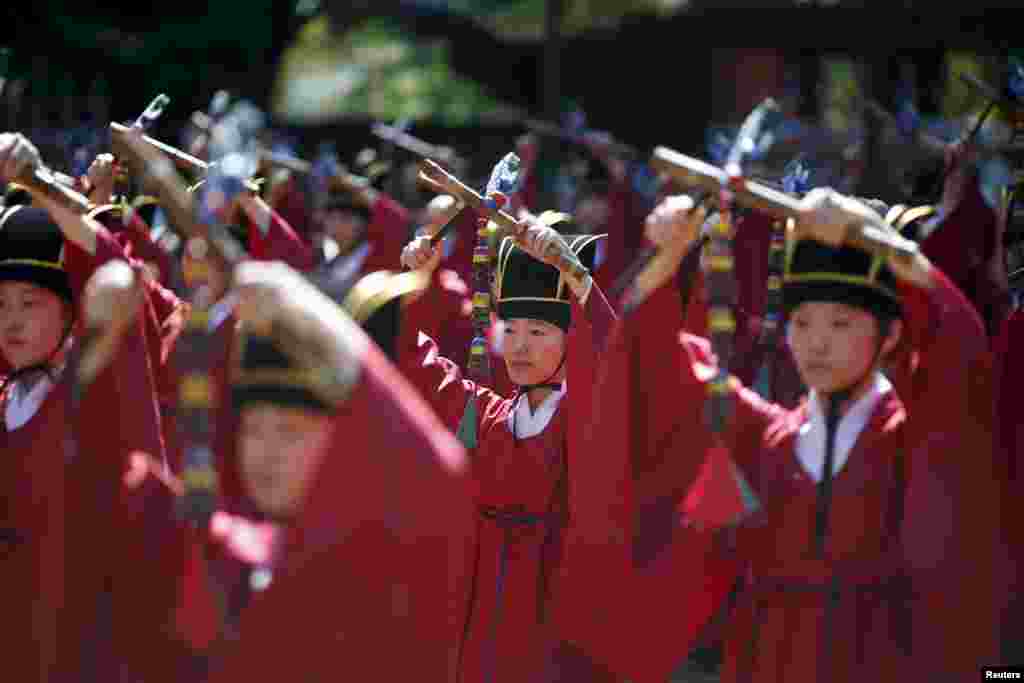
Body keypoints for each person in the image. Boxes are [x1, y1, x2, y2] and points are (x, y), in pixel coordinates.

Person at [560, 189, 1003, 682]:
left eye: (841, 323)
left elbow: (961, 358)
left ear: (891, 334)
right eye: (801, 322)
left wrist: (884, 242)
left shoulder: (909, 434)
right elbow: (659, 370)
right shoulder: (768, 438)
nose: (816, 342)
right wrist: (669, 257)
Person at [400, 212, 620, 681]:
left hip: (552, 634)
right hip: (478, 627)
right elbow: (416, 365)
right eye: (512, 329)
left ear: (572, 338)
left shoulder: (585, 422)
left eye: (538, 332)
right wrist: (414, 284)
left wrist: (577, 279)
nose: (519, 347)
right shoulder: (488, 416)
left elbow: (615, 366)